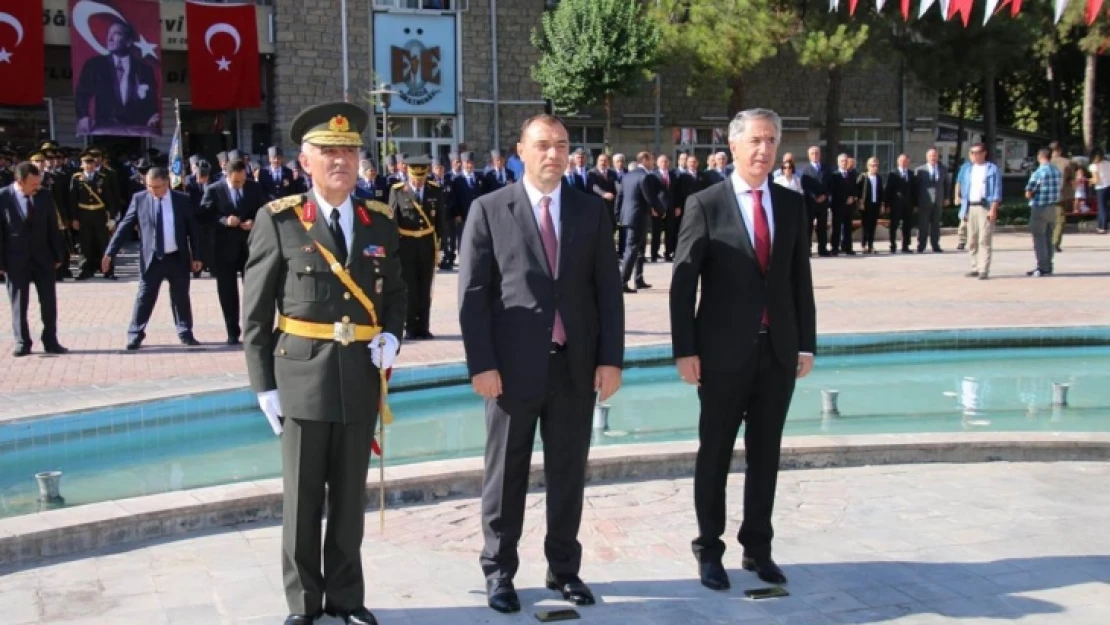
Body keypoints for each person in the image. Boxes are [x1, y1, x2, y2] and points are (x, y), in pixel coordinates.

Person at [242, 102, 406, 625]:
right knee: (303, 500)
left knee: (350, 498)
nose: (341, 160)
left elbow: (397, 294)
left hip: (359, 374)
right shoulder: (281, 220)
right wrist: (263, 385)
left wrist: (392, 339)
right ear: (304, 161)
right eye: (329, 152)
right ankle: (304, 604)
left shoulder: (378, 221)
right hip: (300, 377)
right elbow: (254, 314)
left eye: (350, 151)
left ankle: (347, 598)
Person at [458, 113, 624, 615]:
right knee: (505, 475)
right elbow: (473, 295)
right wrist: (481, 364)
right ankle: (499, 571)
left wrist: (610, 360)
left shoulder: (590, 211)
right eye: (542, 145)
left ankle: (564, 569)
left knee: (569, 473)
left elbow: (607, 292)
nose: (554, 154)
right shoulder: (489, 209)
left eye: (562, 145)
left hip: (573, 367)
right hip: (510, 371)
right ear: (521, 151)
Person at [670, 108, 816, 591]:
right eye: (755, 140)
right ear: (732, 146)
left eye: (771, 140)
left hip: (776, 352)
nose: (764, 150)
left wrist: (806, 344)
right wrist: (685, 350)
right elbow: (682, 283)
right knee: (714, 453)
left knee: (766, 454)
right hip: (720, 354)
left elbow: (800, 280)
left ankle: (758, 548)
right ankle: (709, 550)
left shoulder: (791, 205)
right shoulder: (706, 203)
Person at [103, 168, 202, 350]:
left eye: (157, 187)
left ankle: (185, 332)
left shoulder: (182, 200)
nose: (152, 191)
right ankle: (135, 334)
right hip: (152, 258)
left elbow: (193, 230)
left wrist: (197, 256)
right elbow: (125, 226)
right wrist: (110, 252)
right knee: (144, 297)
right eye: (149, 186)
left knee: (180, 297)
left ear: (167, 184)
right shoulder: (140, 199)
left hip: (177, 258)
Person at [0, 162, 68, 356]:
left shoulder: (45, 195)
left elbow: (52, 227)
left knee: (48, 301)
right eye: (33, 184)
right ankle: (22, 342)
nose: (37, 187)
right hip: (15, 259)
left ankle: (51, 340)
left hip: (43, 257)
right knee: (19, 302)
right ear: (20, 182)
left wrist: (58, 255)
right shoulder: (3, 197)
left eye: (39, 183)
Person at [201, 159, 265, 344]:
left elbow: (264, 210)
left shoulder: (254, 188)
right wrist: (223, 221)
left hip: (249, 248)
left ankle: (253, 330)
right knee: (227, 292)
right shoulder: (214, 190)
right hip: (223, 249)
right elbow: (204, 216)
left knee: (253, 291)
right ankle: (232, 331)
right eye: (236, 182)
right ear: (227, 176)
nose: (240, 185)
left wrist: (254, 222)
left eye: (242, 181)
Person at [74, 19, 159, 135]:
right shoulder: (95, 65)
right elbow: (82, 94)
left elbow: (151, 102)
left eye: (116, 34)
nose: (110, 39)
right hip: (104, 129)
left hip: (135, 131)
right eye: (109, 34)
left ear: (129, 42)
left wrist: (153, 116)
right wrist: (83, 116)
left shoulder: (144, 69)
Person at [390, 155, 444, 340]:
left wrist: (440, 246)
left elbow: (441, 221)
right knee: (410, 288)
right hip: (406, 247)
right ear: (408, 174)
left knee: (425, 288)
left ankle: (424, 326)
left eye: (421, 179)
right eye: (415, 179)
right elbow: (392, 222)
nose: (418, 183)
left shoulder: (435, 191)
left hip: (427, 247)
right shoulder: (398, 191)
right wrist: (393, 250)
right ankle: (411, 326)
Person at [69, 149, 121, 280]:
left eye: (91, 162)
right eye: (86, 163)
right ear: (82, 164)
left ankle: (108, 270)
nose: (89, 165)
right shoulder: (76, 179)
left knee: (104, 243)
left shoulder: (102, 178)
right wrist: (74, 218)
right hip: (84, 214)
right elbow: (72, 200)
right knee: (85, 244)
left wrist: (113, 217)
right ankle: (85, 270)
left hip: (99, 214)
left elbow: (109, 198)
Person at [619, 152, 666, 293]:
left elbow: (620, 197)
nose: (653, 163)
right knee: (632, 249)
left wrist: (618, 214)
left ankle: (638, 279)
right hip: (637, 217)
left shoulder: (627, 176)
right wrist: (661, 210)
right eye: (652, 160)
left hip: (628, 216)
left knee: (639, 250)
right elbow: (650, 198)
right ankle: (622, 281)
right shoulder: (644, 176)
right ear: (644, 160)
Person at [955, 143, 1002, 280]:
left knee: (984, 239)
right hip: (970, 207)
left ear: (984, 153)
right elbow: (961, 186)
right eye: (972, 153)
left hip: (984, 207)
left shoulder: (992, 169)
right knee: (972, 240)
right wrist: (961, 204)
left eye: (977, 152)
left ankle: (984, 269)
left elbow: (996, 192)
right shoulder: (968, 169)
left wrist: (993, 209)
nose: (975, 155)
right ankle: (975, 266)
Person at [1024, 148, 1062, 277]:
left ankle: (1042, 266)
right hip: (1053, 207)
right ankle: (1049, 265)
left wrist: (1031, 194)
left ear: (1039, 157)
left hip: (1039, 207)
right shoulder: (1056, 171)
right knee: (1048, 237)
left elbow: (1029, 192)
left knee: (1039, 238)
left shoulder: (1039, 172)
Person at [915, 148, 947, 253]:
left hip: (938, 201)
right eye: (931, 156)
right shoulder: (920, 170)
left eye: (935, 156)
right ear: (927, 157)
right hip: (924, 201)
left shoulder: (943, 169)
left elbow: (946, 184)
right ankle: (921, 245)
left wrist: (946, 198)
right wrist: (916, 203)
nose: (933, 158)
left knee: (936, 224)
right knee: (923, 225)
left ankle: (935, 245)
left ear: (938, 157)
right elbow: (916, 187)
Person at [886, 154, 916, 253]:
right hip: (896, 204)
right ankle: (893, 245)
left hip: (908, 204)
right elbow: (888, 190)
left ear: (908, 162)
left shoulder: (911, 174)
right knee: (894, 225)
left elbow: (914, 190)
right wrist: (887, 204)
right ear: (898, 162)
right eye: (902, 161)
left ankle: (905, 246)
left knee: (907, 225)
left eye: (906, 161)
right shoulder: (893, 173)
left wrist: (915, 204)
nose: (904, 163)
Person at [856, 157, 885, 254]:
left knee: (873, 225)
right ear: (868, 166)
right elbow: (858, 190)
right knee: (865, 225)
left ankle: (871, 245)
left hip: (875, 204)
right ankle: (863, 245)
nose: (875, 167)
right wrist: (860, 202)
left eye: (876, 165)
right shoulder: (863, 177)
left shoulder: (879, 178)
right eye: (873, 165)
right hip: (865, 205)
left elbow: (881, 192)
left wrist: (882, 204)